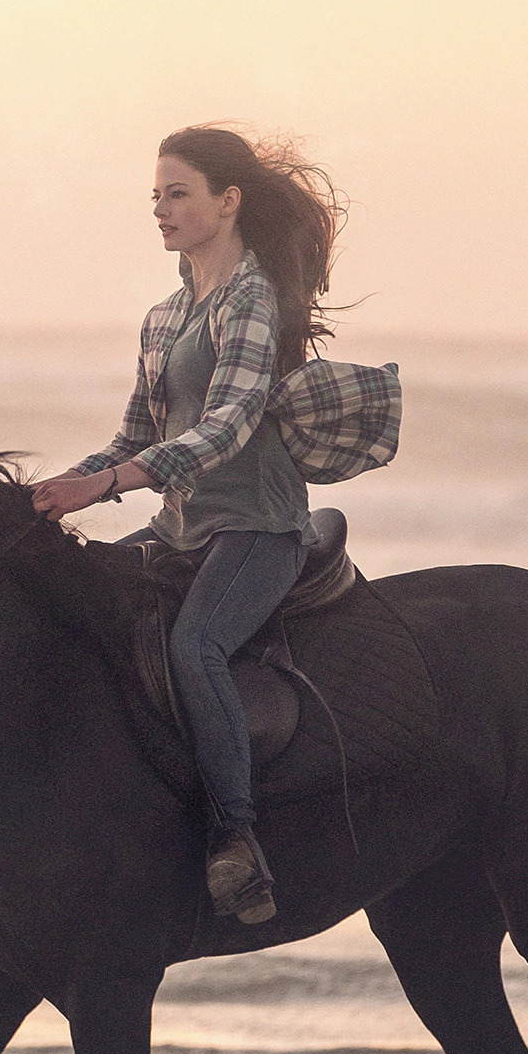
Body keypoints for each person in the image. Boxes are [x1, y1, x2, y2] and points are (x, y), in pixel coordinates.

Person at [32, 125, 399, 925]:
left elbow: (229, 423)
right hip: (179, 525)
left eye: (178, 193)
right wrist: (64, 485)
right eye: (155, 196)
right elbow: (137, 435)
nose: (161, 210)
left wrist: (112, 481)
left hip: (257, 527)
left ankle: (237, 839)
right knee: (73, 598)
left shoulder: (253, 299)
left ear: (228, 202)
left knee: (196, 646)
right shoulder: (164, 317)